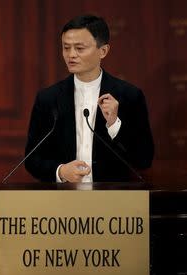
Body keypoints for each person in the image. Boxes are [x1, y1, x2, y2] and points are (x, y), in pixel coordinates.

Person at [24, 15, 154, 183]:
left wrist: (114, 125)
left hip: (112, 201)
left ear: (103, 51)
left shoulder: (129, 96)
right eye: (66, 47)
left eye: (79, 48)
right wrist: (61, 171)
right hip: (62, 200)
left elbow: (144, 159)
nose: (71, 55)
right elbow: (32, 159)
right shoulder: (48, 98)